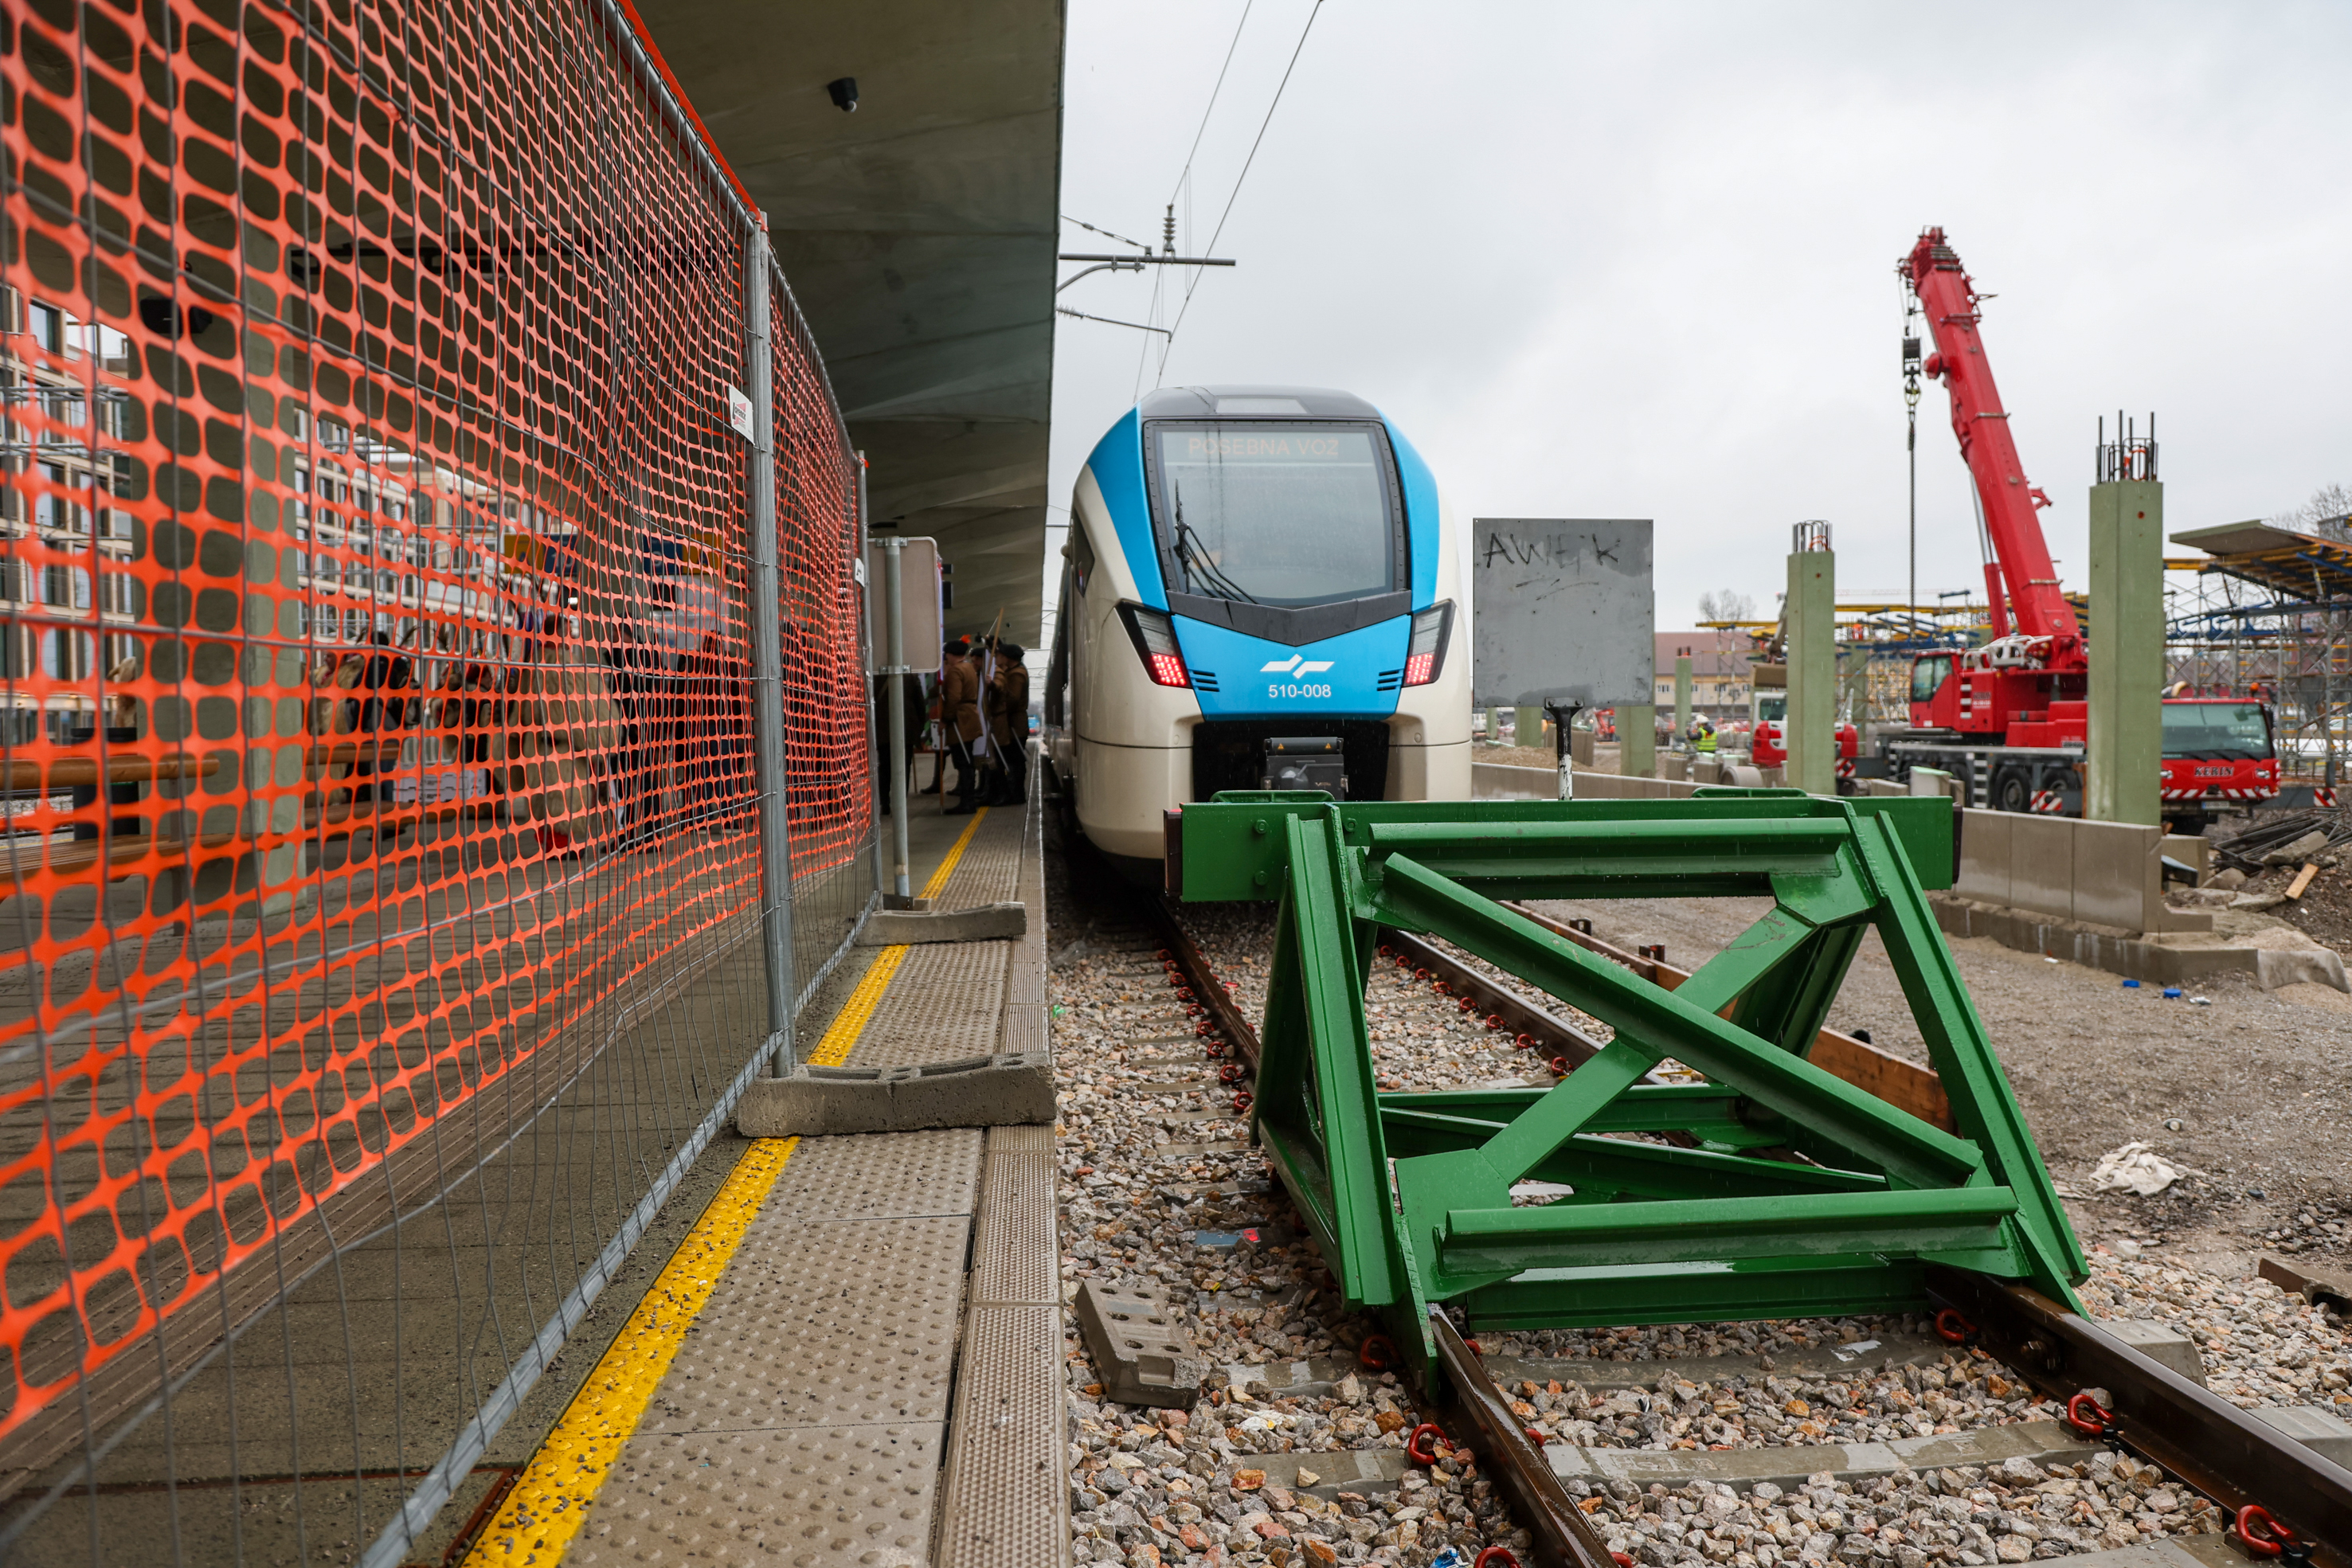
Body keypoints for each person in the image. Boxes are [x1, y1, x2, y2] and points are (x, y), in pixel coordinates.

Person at [872, 667, 926, 815]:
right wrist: (919, 728)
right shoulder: (910, 676)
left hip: (883, 729)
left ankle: (885, 802)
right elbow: (920, 704)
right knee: (904, 767)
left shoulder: (876, 676)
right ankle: (900, 802)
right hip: (906, 728)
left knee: (884, 767)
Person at [939, 637, 983, 813]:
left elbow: (954, 698)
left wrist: (946, 719)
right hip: (969, 716)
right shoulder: (969, 668)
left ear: (950, 654)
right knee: (968, 760)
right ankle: (968, 800)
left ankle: (967, 802)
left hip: (960, 720)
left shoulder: (956, 671)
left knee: (963, 762)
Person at [984, 643, 1031, 805]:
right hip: (1010, 722)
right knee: (1010, 758)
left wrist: (998, 698)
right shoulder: (1012, 671)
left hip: (1014, 723)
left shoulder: (1017, 674)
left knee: (1014, 760)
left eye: (1000, 654)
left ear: (1007, 658)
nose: (997, 656)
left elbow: (1013, 698)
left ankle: (1016, 794)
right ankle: (1012, 794)